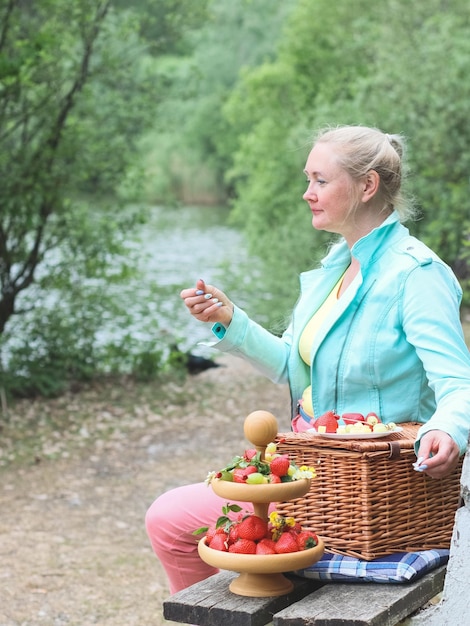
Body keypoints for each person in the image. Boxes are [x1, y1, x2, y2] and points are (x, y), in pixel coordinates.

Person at [145, 124, 470, 594]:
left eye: (320, 180)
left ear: (366, 186)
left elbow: (458, 382)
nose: (307, 193)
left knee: (174, 520)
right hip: (308, 473)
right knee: (168, 520)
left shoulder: (417, 275)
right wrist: (230, 318)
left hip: (372, 495)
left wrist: (448, 429)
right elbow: (291, 367)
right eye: (308, 179)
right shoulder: (335, 269)